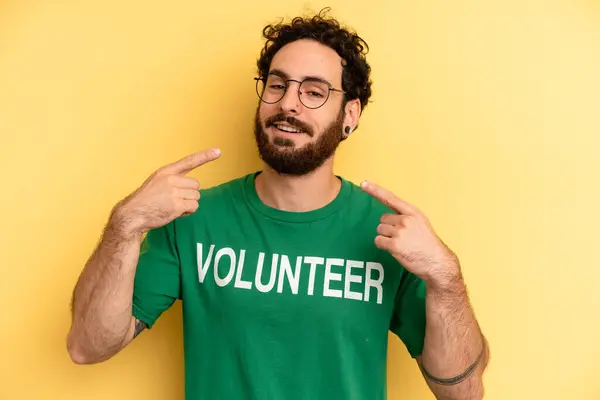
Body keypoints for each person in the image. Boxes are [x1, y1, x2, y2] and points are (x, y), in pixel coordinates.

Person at [67, 8, 489, 400]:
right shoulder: (193, 220)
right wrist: (125, 226)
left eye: (314, 92)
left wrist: (444, 277)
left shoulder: (389, 235)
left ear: (350, 115)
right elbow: (87, 346)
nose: (288, 103)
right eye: (277, 84)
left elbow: (463, 392)